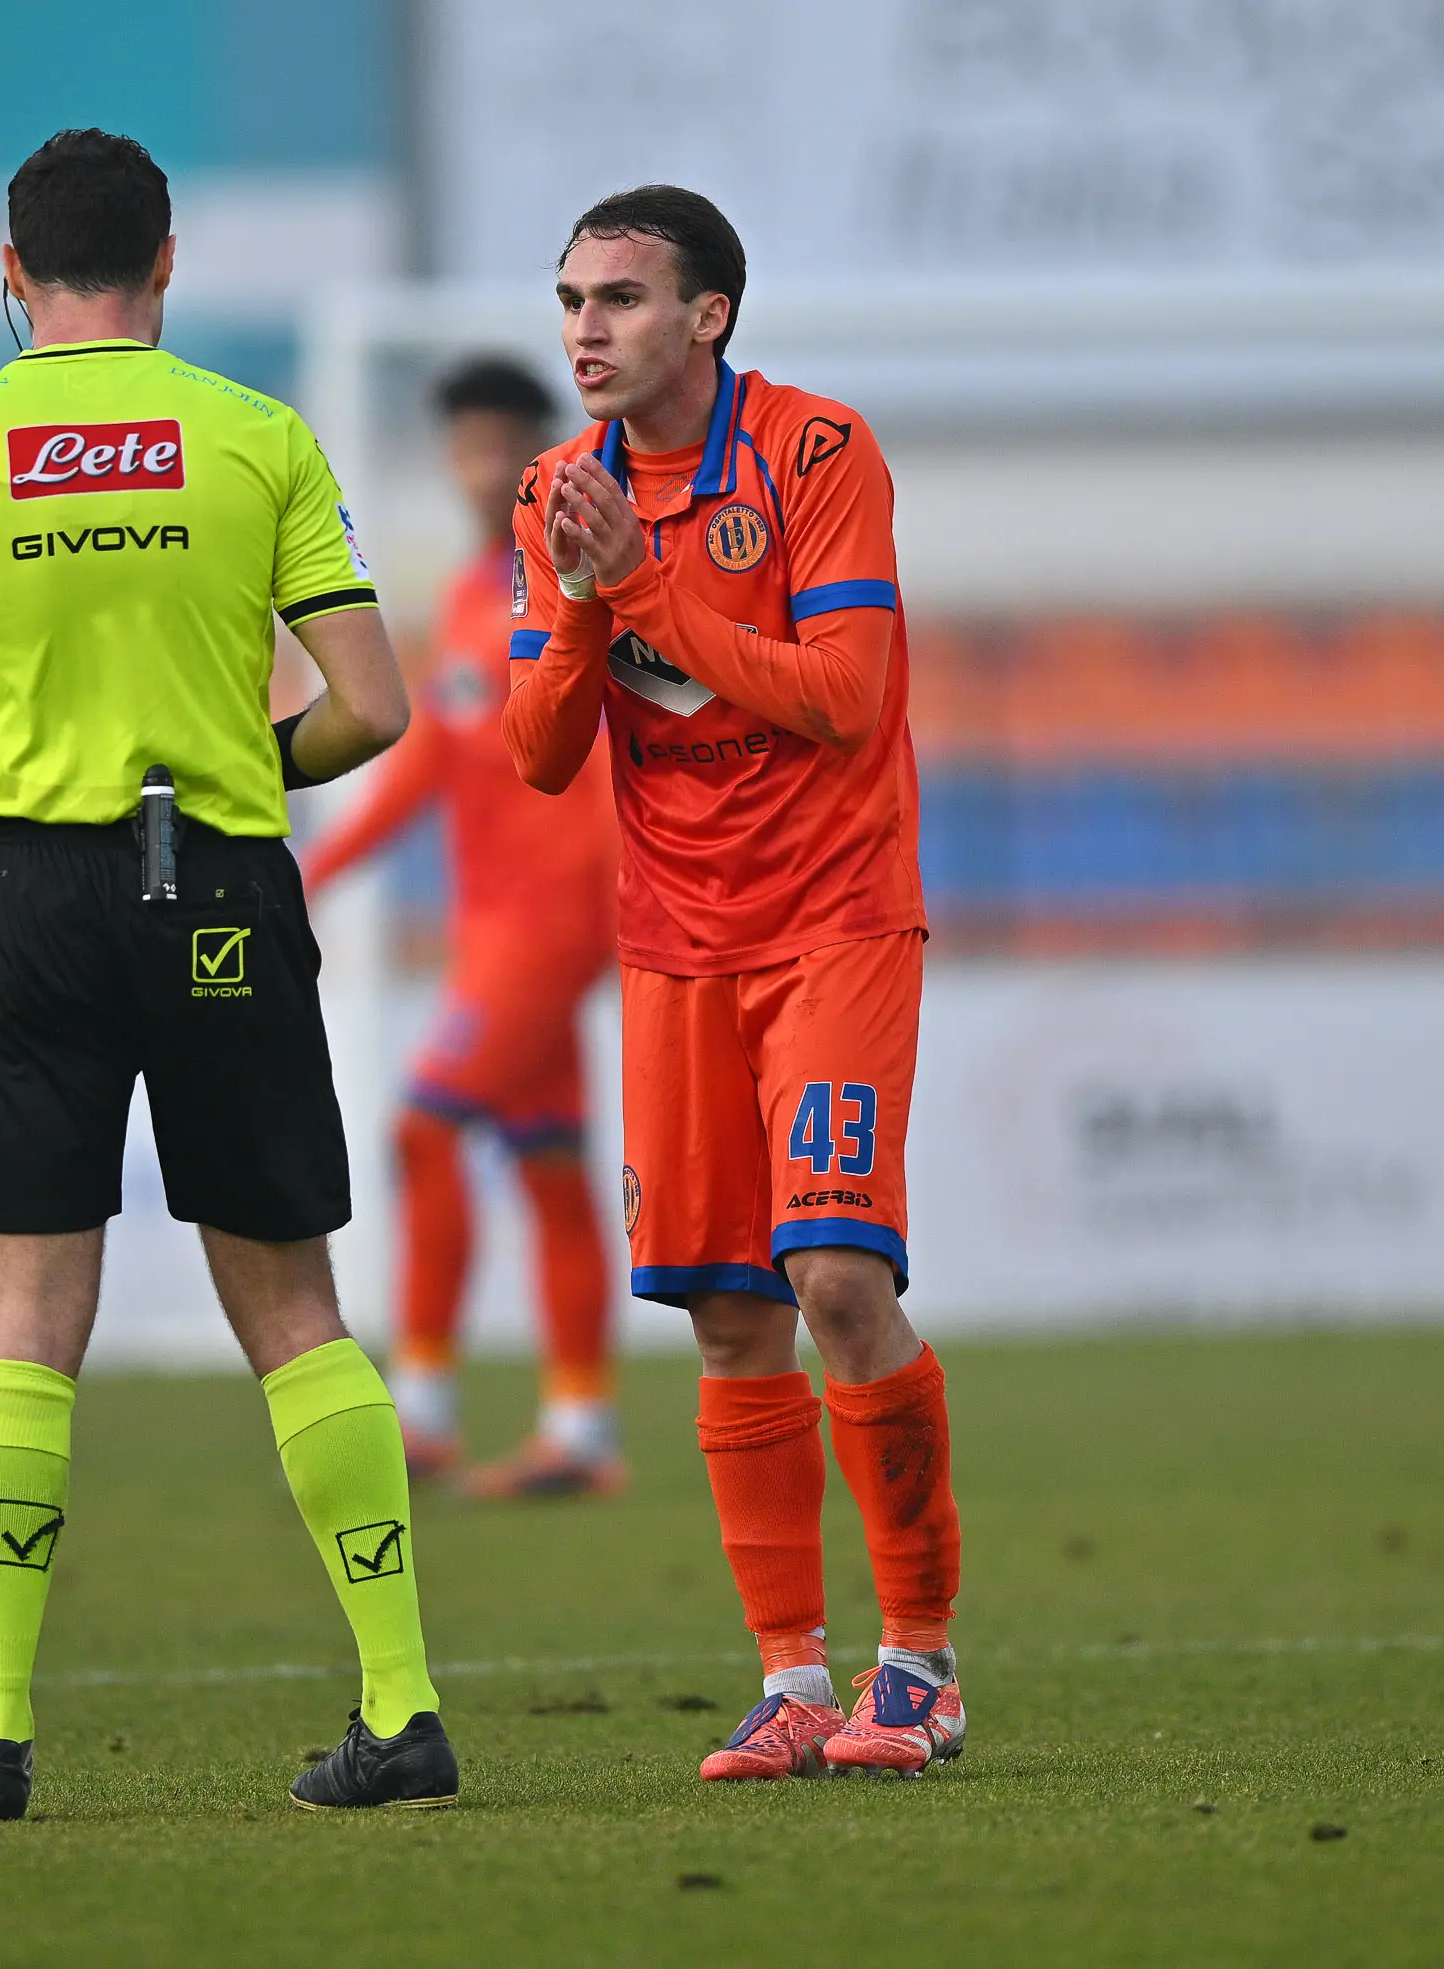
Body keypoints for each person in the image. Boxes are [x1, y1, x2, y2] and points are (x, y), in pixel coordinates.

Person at [0, 128, 455, 1820]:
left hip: (35, 888)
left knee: (29, 1316)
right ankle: (398, 1699)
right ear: (166, 263)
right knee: (296, 1309)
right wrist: (250, 754)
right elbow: (375, 705)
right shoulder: (257, 438)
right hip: (220, 881)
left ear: (10, 271)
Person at [501, 186, 967, 1781]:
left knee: (836, 1277)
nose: (583, 328)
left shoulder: (818, 456)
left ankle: (919, 1661)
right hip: (675, 944)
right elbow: (541, 750)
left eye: (619, 298)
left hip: (834, 918)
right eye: (569, 298)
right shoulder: (555, 491)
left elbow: (845, 698)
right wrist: (576, 601)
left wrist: (641, 587)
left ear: (706, 316)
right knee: (723, 1309)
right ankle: (791, 1676)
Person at [298, 356, 623, 1499]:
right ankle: (580, 1431)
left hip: (554, 922)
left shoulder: (583, 573)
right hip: (499, 927)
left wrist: (605, 919)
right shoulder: (478, 591)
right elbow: (432, 754)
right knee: (549, 1165)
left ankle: (424, 1414)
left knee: (424, 1132)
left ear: (541, 452)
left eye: (501, 449)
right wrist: (317, 867)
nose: (481, 471)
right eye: (465, 450)